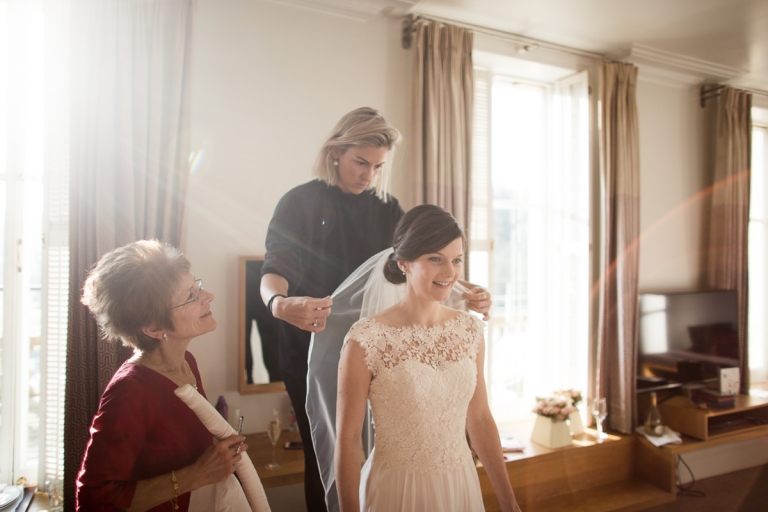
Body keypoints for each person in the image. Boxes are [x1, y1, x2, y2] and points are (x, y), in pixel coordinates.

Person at [260, 107, 492, 512]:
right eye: (360, 162)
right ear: (336, 153)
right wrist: (278, 304)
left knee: (385, 445)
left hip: (379, 350)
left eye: (378, 166)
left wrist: (465, 289)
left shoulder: (387, 207)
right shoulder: (298, 203)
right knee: (329, 452)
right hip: (312, 349)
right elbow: (274, 269)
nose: (368, 175)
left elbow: (417, 263)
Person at [335, 205, 522, 512]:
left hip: (460, 485)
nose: (449, 272)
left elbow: (479, 419)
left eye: (456, 260)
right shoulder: (365, 340)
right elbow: (348, 440)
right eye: (435, 259)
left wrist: (509, 502)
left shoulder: (470, 330)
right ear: (404, 262)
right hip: (395, 491)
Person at [76, 240, 250, 512]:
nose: (209, 296)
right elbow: (94, 501)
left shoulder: (186, 362)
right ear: (155, 327)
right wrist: (198, 474)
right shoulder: (129, 393)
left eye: (198, 287)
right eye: (192, 296)